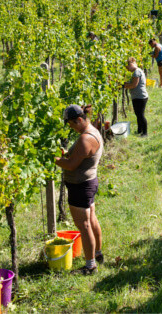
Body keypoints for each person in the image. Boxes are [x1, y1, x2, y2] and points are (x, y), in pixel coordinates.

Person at [55, 105, 104, 275]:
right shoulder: (93, 131)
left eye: (71, 124)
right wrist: (69, 153)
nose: (71, 127)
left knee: (84, 225)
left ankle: (90, 266)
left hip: (80, 186)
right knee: (91, 220)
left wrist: (55, 159)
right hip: (88, 183)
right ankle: (97, 253)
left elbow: (71, 165)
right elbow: (79, 157)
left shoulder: (85, 139)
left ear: (80, 120)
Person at [123, 57, 149, 136]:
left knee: (140, 115)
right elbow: (132, 83)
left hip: (140, 97)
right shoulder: (138, 71)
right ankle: (139, 130)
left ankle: (145, 133)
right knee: (138, 114)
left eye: (127, 67)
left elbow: (133, 85)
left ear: (131, 64)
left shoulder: (136, 72)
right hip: (138, 97)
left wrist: (123, 85)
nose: (127, 69)